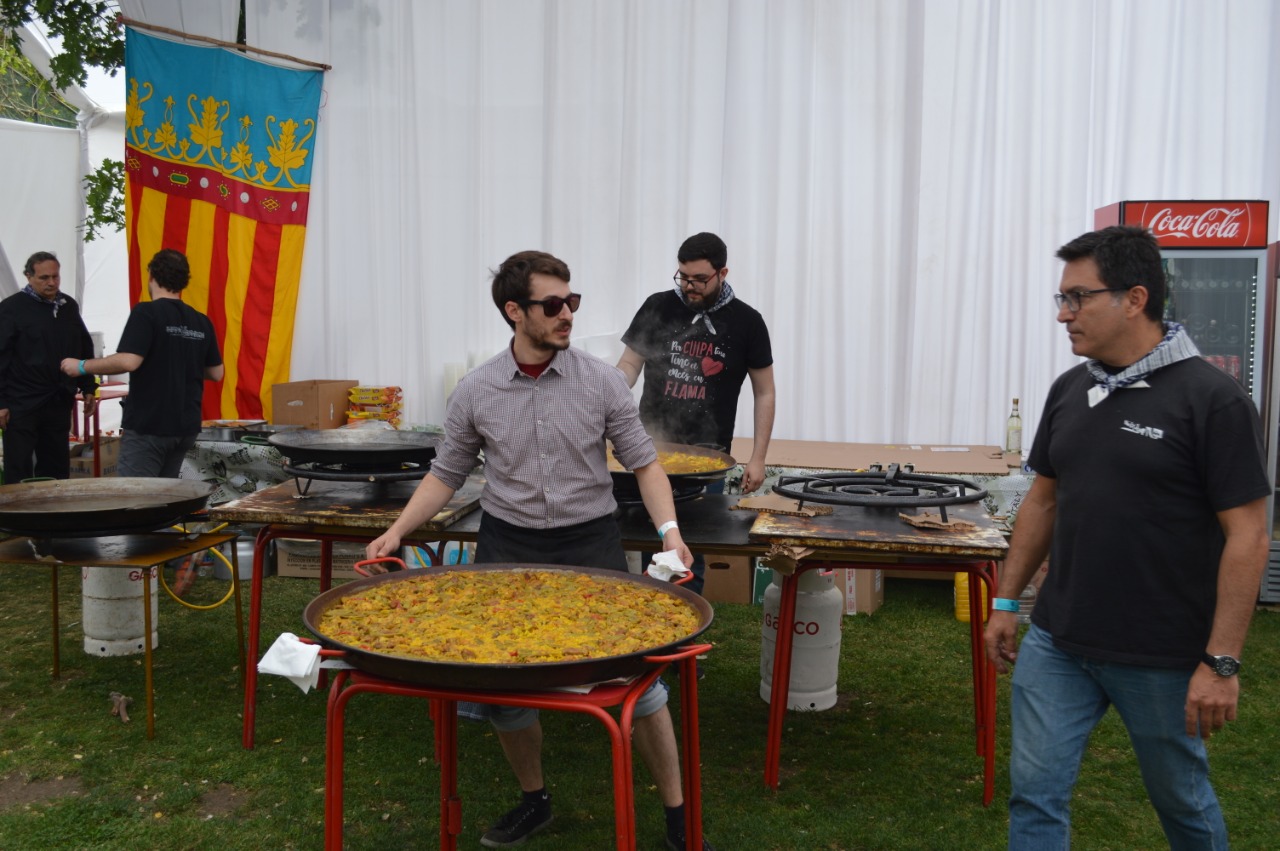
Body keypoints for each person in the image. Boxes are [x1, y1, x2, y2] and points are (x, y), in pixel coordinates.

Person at [367, 250, 713, 851]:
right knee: (505, 683)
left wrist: (671, 534)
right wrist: (398, 532)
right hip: (509, 546)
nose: (567, 315)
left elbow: (645, 465)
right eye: (552, 305)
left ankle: (680, 824)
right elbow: (445, 474)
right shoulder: (476, 390)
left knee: (642, 681)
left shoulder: (601, 381)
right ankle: (535, 800)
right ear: (514, 312)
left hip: (590, 543)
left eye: (571, 302)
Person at [982, 225, 1270, 849]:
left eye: (1078, 297)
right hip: (1059, 641)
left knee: (1183, 804)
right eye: (1061, 299)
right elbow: (1043, 500)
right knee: (1035, 795)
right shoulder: (1072, 388)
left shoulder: (1212, 402)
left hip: (1162, 657)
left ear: (1135, 299)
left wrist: (1221, 663)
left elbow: (1248, 534)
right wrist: (1006, 603)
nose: (1064, 314)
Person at [617, 232, 775, 594]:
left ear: (723, 273)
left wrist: (758, 458)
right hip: (648, 450)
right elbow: (629, 364)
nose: (690, 286)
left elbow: (764, 392)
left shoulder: (747, 322)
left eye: (700, 279)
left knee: (694, 544)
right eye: (683, 277)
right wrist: (603, 393)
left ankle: (686, 629)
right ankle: (654, 619)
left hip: (709, 457)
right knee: (652, 539)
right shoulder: (657, 306)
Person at [61, 248, 224, 478]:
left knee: (136, 500)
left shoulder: (146, 312)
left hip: (151, 425)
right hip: (185, 426)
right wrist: (180, 359)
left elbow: (129, 361)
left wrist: (81, 366)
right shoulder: (201, 320)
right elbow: (216, 372)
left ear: (151, 276)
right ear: (184, 281)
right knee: (166, 499)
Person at [0, 251, 98, 482]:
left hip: (57, 398)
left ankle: (53, 515)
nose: (51, 282)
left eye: (55, 276)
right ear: (28, 276)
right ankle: (18, 517)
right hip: (21, 402)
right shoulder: (11, 308)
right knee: (19, 465)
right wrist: (1, 403)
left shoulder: (67, 306)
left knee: (55, 465)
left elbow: (83, 348)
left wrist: (88, 387)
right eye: (44, 278)